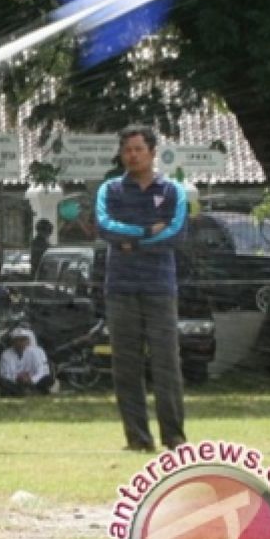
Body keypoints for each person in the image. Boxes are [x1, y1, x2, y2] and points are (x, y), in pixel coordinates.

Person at [96, 124, 187, 452]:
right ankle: (137, 438)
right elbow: (106, 227)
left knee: (167, 363)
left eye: (138, 149)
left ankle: (174, 436)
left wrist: (132, 242)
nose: (132, 155)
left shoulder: (173, 190)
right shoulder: (111, 190)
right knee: (126, 365)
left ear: (152, 152)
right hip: (120, 287)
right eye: (126, 150)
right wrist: (147, 232)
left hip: (160, 287)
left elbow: (175, 233)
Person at [0, 328, 53, 396]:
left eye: (23, 340)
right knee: (0, 380)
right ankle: (26, 392)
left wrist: (31, 380)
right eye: (17, 340)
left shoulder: (36, 352)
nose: (20, 343)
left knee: (48, 379)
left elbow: (41, 371)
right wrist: (18, 378)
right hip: (16, 382)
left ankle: (29, 391)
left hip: (32, 381)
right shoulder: (6, 354)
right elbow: (4, 374)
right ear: (12, 342)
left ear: (28, 341)